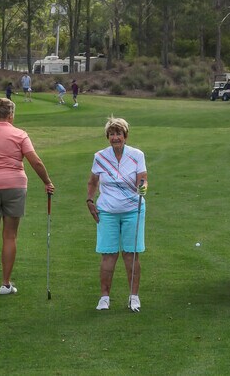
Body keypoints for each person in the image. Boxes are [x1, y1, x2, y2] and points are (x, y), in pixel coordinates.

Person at [0, 98, 54, 295]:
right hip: (14, 185)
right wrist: (47, 182)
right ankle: (5, 284)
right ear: (11, 115)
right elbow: (35, 161)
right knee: (10, 235)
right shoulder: (19, 134)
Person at [87, 117, 147, 312]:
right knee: (108, 255)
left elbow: (143, 179)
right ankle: (104, 297)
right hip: (107, 211)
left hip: (133, 210)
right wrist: (89, 200)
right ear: (108, 137)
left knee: (131, 254)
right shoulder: (100, 156)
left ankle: (134, 297)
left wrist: (142, 189)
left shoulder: (137, 155)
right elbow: (93, 182)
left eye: (118, 134)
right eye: (112, 134)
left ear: (125, 136)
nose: (115, 137)